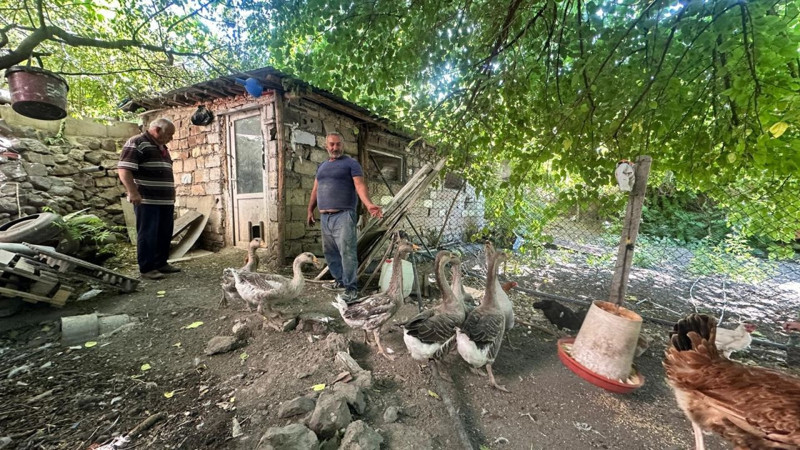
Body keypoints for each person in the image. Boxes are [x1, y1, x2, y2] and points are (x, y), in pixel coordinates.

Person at [307, 132, 383, 303]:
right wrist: (310, 210)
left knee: (347, 252)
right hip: (325, 217)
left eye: (338, 144)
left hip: (343, 215)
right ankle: (339, 281)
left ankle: (351, 288)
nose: (335, 148)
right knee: (330, 252)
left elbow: (360, 185)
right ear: (326, 146)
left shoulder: (351, 164)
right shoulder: (322, 166)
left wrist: (369, 204)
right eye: (332, 144)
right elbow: (315, 190)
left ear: (343, 145)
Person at [118, 118, 181, 280]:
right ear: (157, 130)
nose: (171, 138)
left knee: (164, 233)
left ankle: (161, 263)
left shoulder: (162, 147)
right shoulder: (137, 142)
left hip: (165, 200)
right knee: (148, 233)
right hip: (147, 199)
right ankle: (147, 268)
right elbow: (124, 169)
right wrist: (133, 192)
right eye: (169, 134)